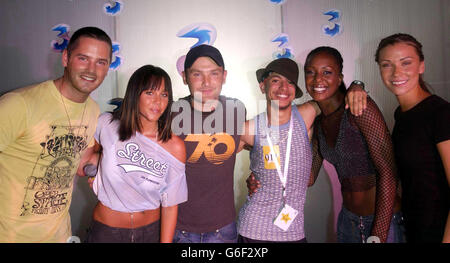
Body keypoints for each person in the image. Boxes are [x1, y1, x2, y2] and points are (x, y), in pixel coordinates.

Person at [0, 26, 112, 242]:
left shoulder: (92, 109)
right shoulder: (19, 104)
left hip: (59, 235)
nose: (91, 69)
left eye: (100, 62)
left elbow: (81, 164)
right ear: (66, 58)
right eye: (83, 58)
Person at [306, 46, 402, 243]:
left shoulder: (359, 109)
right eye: (311, 72)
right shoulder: (318, 121)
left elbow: (388, 172)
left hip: (382, 222)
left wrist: (379, 233)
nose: (317, 79)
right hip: (348, 221)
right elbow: (308, 177)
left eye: (327, 72)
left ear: (340, 78)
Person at [81, 65, 187, 243]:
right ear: (134, 94)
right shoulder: (107, 124)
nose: (158, 102)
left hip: (150, 233)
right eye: (150, 93)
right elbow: (85, 162)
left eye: (164, 94)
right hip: (106, 233)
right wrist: (95, 169)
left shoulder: (175, 146)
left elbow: (170, 205)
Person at [374, 33, 450, 243]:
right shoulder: (401, 114)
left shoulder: (441, 114)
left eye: (406, 62)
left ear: (421, 65)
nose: (397, 72)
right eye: (387, 65)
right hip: (414, 228)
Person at [237, 58, 318, 243]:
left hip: (294, 231)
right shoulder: (249, 129)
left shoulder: (306, 115)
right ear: (262, 85)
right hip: (254, 231)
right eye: (276, 80)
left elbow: (334, 98)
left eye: (290, 82)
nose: (283, 88)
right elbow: (213, 163)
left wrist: (357, 87)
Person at [171, 44, 246, 243]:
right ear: (185, 77)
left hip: (223, 228)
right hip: (179, 229)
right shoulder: (169, 113)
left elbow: (257, 137)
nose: (206, 82)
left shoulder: (236, 110)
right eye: (197, 74)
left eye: (214, 73)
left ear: (224, 75)